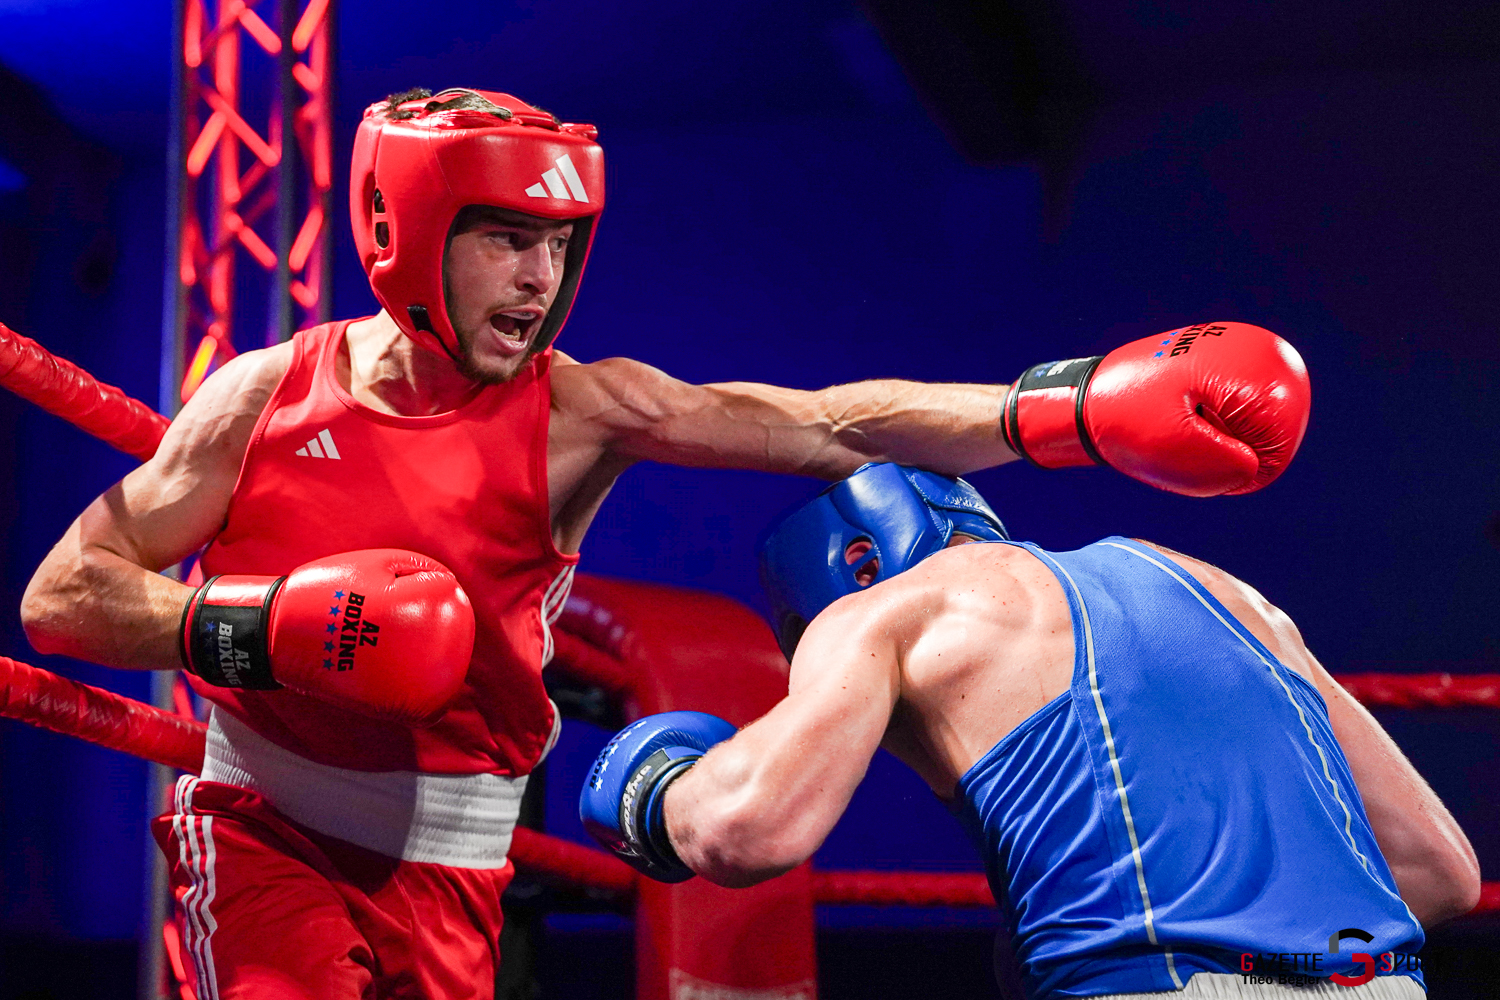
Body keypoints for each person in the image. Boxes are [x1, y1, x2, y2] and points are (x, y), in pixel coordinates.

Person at [19, 85, 1309, 1000]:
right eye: (506, 240)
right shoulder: (263, 396)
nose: (539, 280)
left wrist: (1067, 409)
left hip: (455, 866)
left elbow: (819, 423)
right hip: (267, 832)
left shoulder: (584, 411)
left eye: (557, 245)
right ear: (402, 232)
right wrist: (247, 626)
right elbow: (62, 596)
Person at [581, 463, 1480, 1000]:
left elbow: (750, 827)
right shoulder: (1224, 590)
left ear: (855, 564)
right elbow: (1443, 874)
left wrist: (657, 792)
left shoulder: (887, 609)